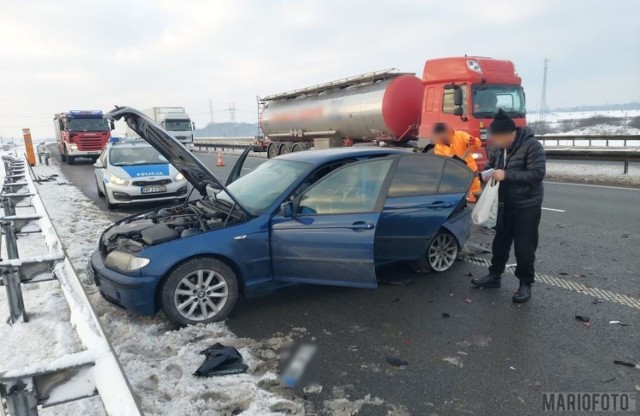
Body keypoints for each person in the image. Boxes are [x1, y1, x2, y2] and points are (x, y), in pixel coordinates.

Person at [471, 109, 546, 303]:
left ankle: (525, 284)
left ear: (509, 134)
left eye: (498, 138)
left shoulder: (532, 146)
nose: (495, 142)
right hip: (504, 203)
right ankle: (494, 276)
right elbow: (493, 166)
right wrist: (486, 174)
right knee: (500, 243)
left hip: (527, 204)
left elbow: (537, 174)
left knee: (524, 247)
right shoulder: (497, 148)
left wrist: (507, 175)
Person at [431, 123, 482, 202]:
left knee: (477, 195)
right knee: (462, 201)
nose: (442, 137)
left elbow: (476, 145)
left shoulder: (461, 135)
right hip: (456, 177)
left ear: (446, 131)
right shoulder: (438, 148)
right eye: (439, 136)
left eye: (443, 134)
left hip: (470, 172)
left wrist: (474, 142)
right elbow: (443, 164)